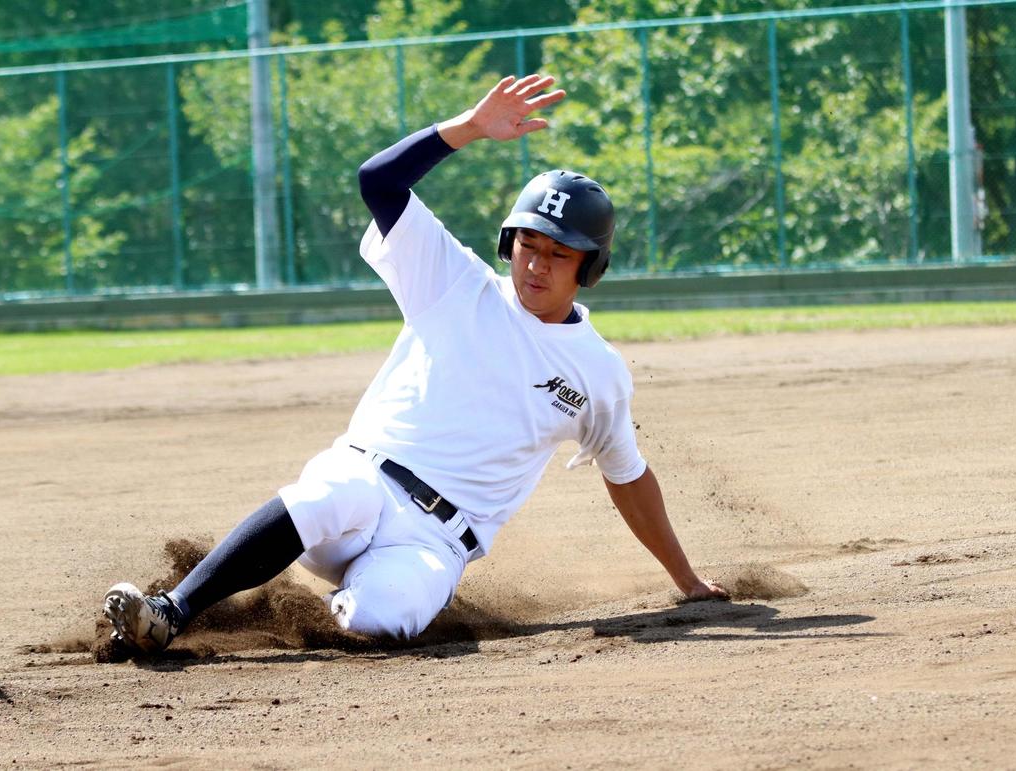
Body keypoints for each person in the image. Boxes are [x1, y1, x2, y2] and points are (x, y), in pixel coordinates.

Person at [104, 73, 728, 653]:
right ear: (509, 243)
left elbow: (628, 477)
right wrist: (470, 128)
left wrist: (687, 578)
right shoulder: (456, 282)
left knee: (384, 621)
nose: (536, 264)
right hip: (365, 481)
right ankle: (172, 612)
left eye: (558, 254)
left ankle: (325, 605)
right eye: (527, 245)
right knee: (326, 494)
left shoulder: (598, 372)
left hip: (435, 541)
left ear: (590, 268)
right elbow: (377, 180)